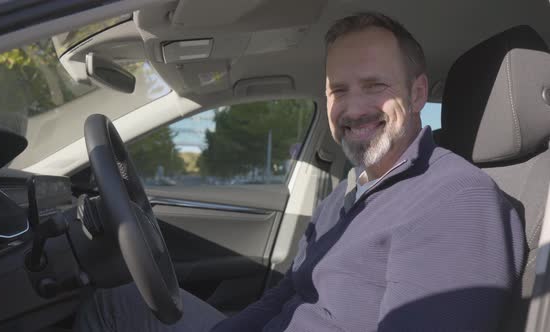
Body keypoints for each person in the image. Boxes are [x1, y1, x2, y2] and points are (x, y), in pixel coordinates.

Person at [75, 12, 525, 332]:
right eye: (338, 90)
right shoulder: (351, 192)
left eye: (375, 86)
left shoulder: (456, 201)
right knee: (120, 300)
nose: (353, 107)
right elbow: (288, 290)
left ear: (417, 92)